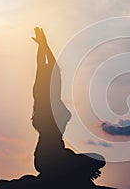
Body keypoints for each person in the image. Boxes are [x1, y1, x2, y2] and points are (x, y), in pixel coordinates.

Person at [31, 27, 105, 183]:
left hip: (48, 158)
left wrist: (43, 45)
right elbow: (50, 67)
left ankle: (73, 172)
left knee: (96, 159)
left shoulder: (48, 105)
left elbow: (51, 67)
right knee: (96, 160)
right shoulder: (47, 106)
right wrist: (43, 45)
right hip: (50, 159)